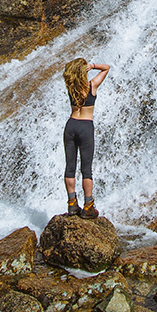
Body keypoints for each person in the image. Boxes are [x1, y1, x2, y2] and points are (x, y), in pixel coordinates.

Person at [62, 56, 109, 218]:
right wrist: (93, 65)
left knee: (70, 167)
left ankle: (72, 204)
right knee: (86, 170)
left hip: (71, 125)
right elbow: (107, 68)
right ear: (84, 71)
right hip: (85, 127)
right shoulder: (92, 85)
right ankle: (88, 206)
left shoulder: (70, 87)